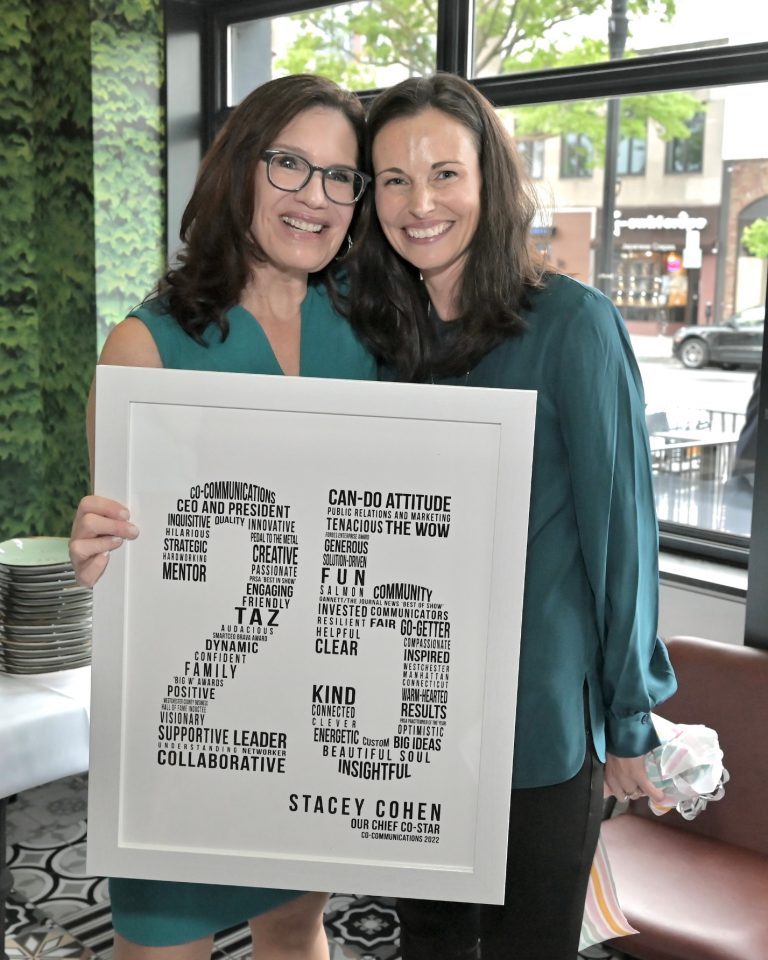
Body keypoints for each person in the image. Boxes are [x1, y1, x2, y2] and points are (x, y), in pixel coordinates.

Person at [348, 73, 678, 960]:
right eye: (393, 180)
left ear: (491, 180)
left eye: (445, 174)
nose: (420, 204)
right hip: (416, 719)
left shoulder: (573, 325)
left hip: (539, 732)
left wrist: (632, 720)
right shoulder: (386, 342)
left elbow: (622, 541)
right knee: (428, 943)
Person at [69, 74, 375, 960]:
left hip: (311, 705)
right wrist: (98, 542)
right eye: (290, 165)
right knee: (162, 939)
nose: (314, 196)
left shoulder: (370, 335)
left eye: (340, 177)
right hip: (190, 714)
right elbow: (125, 547)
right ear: (241, 168)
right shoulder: (147, 344)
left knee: (295, 923)